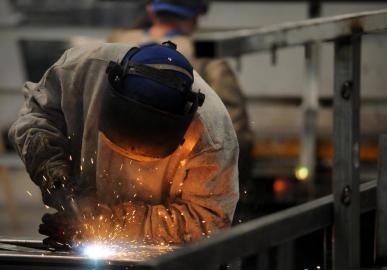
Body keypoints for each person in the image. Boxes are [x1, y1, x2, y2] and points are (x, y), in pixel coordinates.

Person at [9, 41, 239, 247]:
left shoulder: (212, 135)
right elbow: (34, 120)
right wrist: (55, 176)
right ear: (110, 89)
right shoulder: (79, 71)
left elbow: (206, 221)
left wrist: (104, 223)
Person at [108, 0, 254, 197]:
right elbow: (233, 126)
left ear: (151, 11)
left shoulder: (114, 46)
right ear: (193, 18)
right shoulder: (205, 56)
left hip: (112, 169)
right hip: (174, 178)